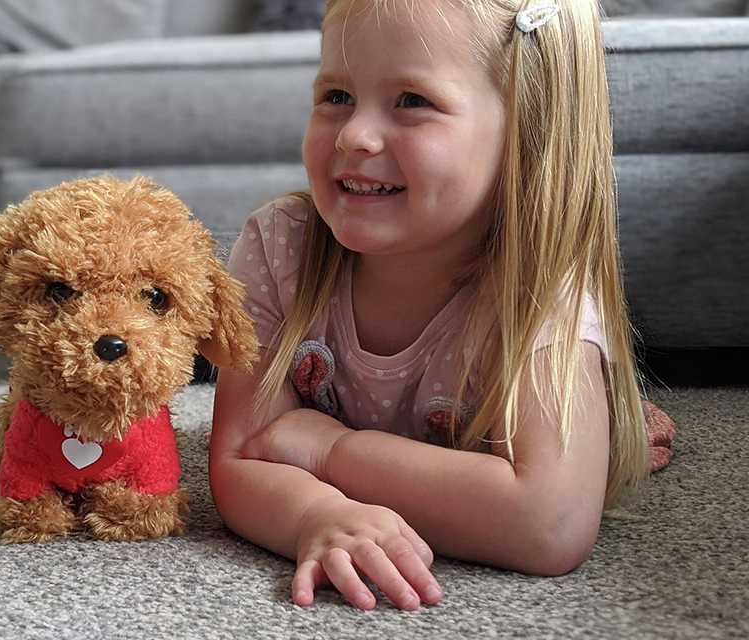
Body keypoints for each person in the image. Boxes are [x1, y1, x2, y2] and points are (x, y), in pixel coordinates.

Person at [209, 0, 651, 612]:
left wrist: (329, 450)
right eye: (337, 95)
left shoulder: (535, 287)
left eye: (412, 100)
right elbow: (240, 456)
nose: (354, 135)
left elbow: (550, 524)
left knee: (576, 458)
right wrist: (315, 511)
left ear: (528, 129)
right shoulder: (282, 244)